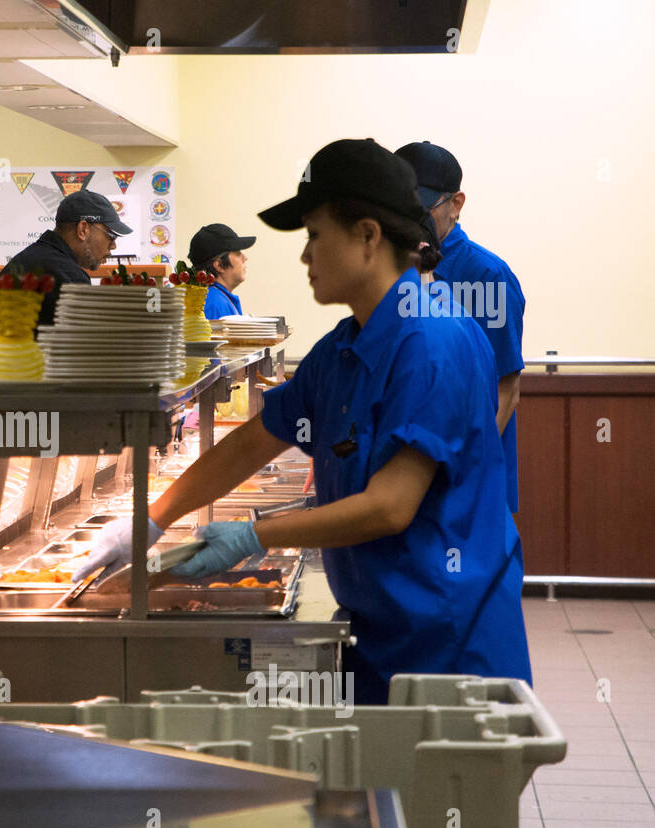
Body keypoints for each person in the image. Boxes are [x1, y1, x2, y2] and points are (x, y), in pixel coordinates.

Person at [76, 138, 531, 705]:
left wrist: (251, 535)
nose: (305, 255)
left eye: (315, 234)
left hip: (450, 651)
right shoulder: (344, 347)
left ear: (367, 236)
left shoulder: (432, 341)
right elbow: (252, 444)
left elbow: (391, 505)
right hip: (383, 636)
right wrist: (152, 520)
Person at [396, 141, 527, 512]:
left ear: (456, 203)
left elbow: (507, 390)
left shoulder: (487, 276)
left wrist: (460, 472)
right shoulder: (397, 270)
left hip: (468, 484)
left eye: (421, 208)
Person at [0, 191, 132, 348]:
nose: (113, 245)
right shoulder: (65, 276)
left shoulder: (32, 259)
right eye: (111, 235)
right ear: (83, 229)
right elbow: (95, 348)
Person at [188, 223, 255, 319]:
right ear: (219, 265)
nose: (245, 258)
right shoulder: (213, 303)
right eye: (238, 253)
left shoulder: (217, 298)